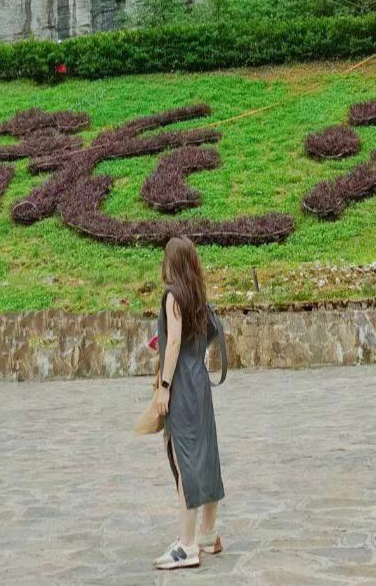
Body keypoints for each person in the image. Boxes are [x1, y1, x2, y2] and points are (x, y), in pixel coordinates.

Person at [153, 235, 227, 570]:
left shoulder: (172, 296)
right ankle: (208, 533)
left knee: (185, 460)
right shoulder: (196, 294)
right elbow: (202, 334)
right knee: (206, 453)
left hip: (182, 384)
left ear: (172, 262)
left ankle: (186, 544)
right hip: (200, 380)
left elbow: (172, 348)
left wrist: (164, 386)